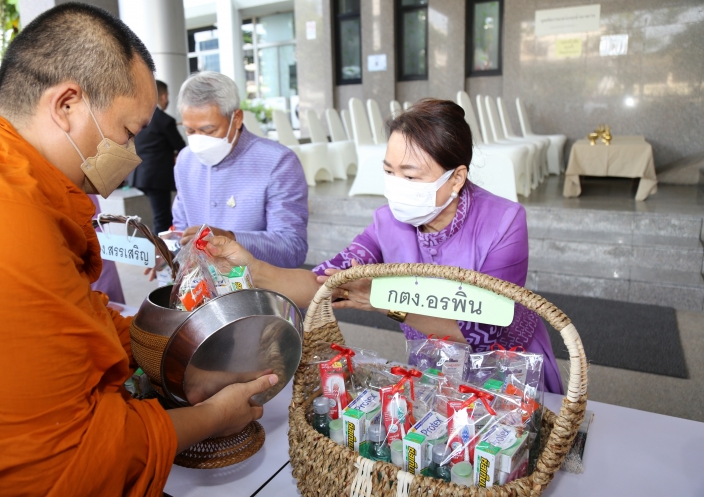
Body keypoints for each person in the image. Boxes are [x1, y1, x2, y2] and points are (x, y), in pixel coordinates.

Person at [0, 3, 275, 497]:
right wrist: (216, 417)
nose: (134, 156)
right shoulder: (14, 230)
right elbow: (81, 455)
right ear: (68, 106)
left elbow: (74, 334)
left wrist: (182, 356)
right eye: (127, 132)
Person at [207, 99, 563, 394]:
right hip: (435, 362)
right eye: (389, 171)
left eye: (410, 176)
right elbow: (324, 284)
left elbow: (482, 329)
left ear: (456, 178)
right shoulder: (388, 221)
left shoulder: (504, 223)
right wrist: (249, 267)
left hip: (506, 366)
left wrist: (387, 303)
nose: (397, 186)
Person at [172, 71, 308, 268]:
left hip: (256, 289)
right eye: (190, 131)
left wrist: (230, 238)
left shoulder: (278, 162)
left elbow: (292, 248)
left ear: (236, 118)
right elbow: (181, 229)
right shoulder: (185, 160)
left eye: (209, 130)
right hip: (199, 288)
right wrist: (168, 252)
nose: (199, 140)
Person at [131, 79, 187, 234]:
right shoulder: (164, 120)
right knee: (162, 218)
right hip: (157, 177)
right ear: (162, 97)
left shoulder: (137, 117)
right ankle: (161, 255)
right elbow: (182, 148)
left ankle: (162, 251)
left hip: (139, 175)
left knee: (161, 216)